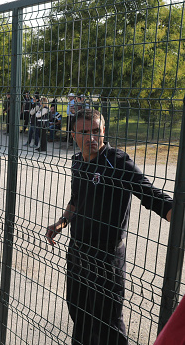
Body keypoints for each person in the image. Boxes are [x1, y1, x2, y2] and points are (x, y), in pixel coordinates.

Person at [45, 108, 173, 345]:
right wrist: (61, 223)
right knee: (79, 316)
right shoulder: (77, 163)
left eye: (96, 131)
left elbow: (150, 195)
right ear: (73, 135)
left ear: (104, 131)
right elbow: (76, 200)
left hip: (107, 258)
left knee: (108, 326)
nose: (91, 138)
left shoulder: (118, 162)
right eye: (84, 132)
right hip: (77, 252)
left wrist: (175, 214)